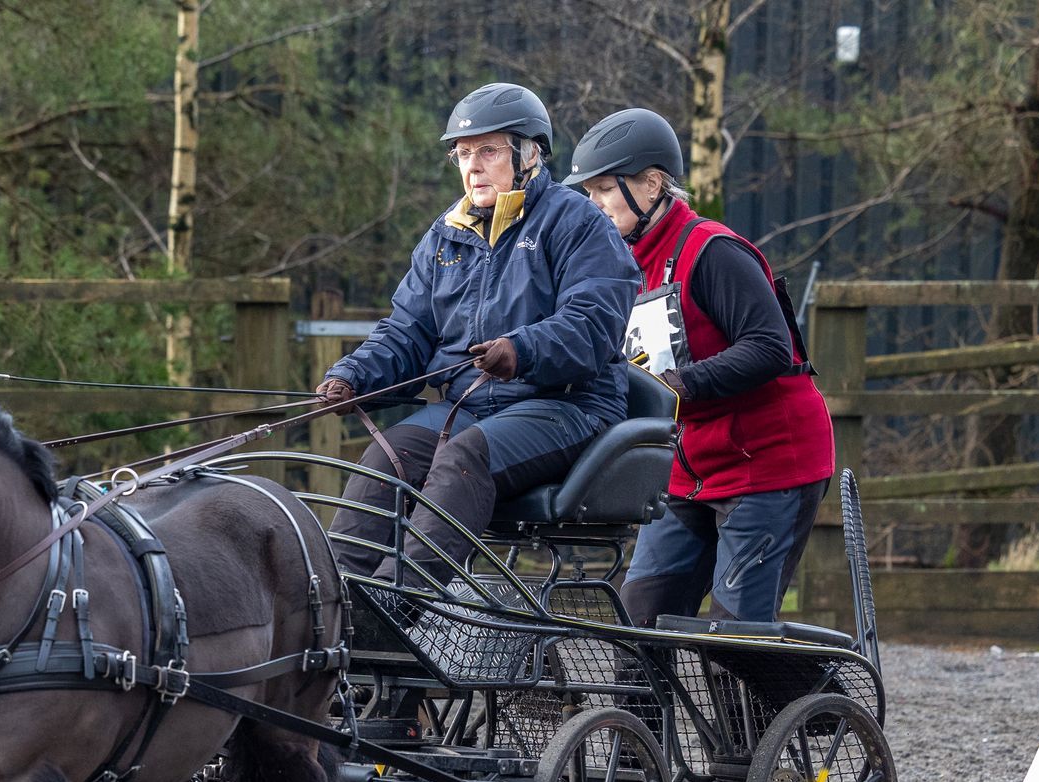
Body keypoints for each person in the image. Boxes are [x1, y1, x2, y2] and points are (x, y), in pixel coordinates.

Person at [316, 82, 637, 586]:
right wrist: (352, 377)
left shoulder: (577, 222)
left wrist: (522, 350)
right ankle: (339, 600)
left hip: (566, 406)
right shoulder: (445, 235)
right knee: (387, 457)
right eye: (463, 154)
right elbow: (406, 331)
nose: (473, 166)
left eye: (488, 151)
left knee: (464, 456)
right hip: (468, 406)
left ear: (529, 154)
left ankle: (400, 600)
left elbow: (593, 325)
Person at [565, 107, 833, 626]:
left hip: (768, 463)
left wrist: (679, 385)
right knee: (640, 624)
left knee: (735, 639)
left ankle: (787, 686)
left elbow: (770, 347)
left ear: (651, 184)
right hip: (688, 469)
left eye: (604, 189)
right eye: (588, 192)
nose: (592, 204)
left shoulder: (712, 251)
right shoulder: (617, 265)